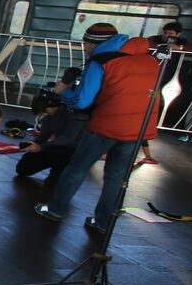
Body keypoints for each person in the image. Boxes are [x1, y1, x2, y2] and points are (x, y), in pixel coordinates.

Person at [34, 24, 162, 232]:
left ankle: (55, 209)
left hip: (108, 124)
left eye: (86, 43)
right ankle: (103, 222)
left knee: (77, 168)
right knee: (116, 177)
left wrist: (63, 91)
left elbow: (82, 101)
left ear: (94, 43)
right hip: (140, 127)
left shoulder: (101, 62)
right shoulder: (150, 59)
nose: (84, 48)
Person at [13, 93, 85, 188]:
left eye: (44, 111)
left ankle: (59, 171)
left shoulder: (72, 114)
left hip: (73, 150)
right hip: (56, 148)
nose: (43, 114)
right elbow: (43, 136)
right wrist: (33, 144)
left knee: (54, 184)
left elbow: (68, 138)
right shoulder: (48, 116)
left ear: (53, 105)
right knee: (23, 168)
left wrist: (41, 147)